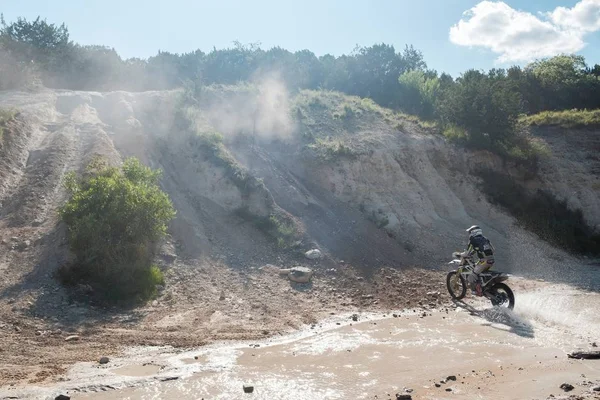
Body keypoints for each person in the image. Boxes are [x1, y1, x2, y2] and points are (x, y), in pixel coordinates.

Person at [461, 225, 495, 296]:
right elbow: (493, 250)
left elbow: (467, 253)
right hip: (491, 260)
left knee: (472, 276)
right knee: (478, 271)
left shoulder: (472, 239)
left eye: (470, 232)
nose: (469, 234)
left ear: (473, 232)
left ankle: (476, 291)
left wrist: (461, 254)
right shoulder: (485, 239)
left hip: (484, 261)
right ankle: (482, 285)